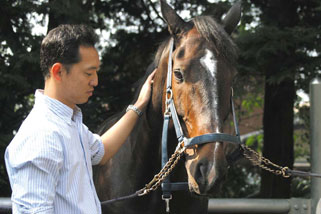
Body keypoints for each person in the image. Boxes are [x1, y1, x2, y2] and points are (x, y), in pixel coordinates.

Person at [5, 24, 156, 214]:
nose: (95, 81)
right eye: (88, 73)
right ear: (58, 71)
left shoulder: (68, 123)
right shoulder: (41, 136)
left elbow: (102, 150)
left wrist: (140, 104)